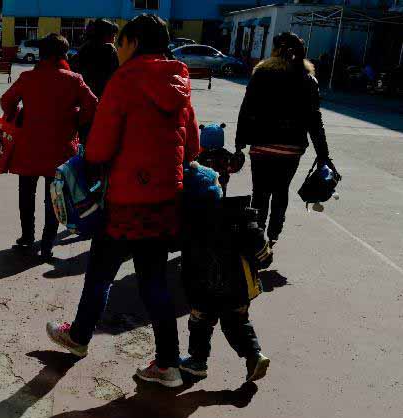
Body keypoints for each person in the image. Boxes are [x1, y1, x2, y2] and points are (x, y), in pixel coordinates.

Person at [45, 14, 200, 388]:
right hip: (165, 199)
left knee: (101, 271)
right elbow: (192, 146)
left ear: (132, 42)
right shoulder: (180, 80)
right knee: (154, 280)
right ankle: (167, 363)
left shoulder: (125, 79)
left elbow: (98, 149)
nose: (117, 49)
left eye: (122, 42)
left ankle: (79, 337)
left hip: (126, 200)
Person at [0, 33, 97, 259]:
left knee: (26, 194)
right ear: (64, 54)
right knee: (53, 198)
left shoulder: (27, 78)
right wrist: (76, 120)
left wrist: (17, 115)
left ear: (41, 53)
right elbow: (92, 104)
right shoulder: (74, 79)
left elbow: (6, 101)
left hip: (27, 148)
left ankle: (26, 238)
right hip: (60, 149)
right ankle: (47, 244)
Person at [235, 32, 333, 247]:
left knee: (259, 193)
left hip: (261, 144)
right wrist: (323, 154)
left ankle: (256, 238)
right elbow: (314, 120)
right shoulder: (308, 80)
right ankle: (274, 235)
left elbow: (246, 109)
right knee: (280, 191)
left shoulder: (261, 74)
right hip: (292, 148)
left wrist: (240, 142)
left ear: (275, 50)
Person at [179, 166, 272, 383]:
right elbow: (263, 254)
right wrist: (263, 257)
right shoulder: (239, 217)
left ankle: (197, 362)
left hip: (202, 289)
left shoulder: (189, 224)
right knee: (237, 323)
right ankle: (254, 355)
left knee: (200, 324)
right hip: (237, 288)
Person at [73, 19, 120, 98]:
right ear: (106, 35)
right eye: (114, 35)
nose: (115, 38)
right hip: (103, 95)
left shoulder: (84, 48)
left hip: (84, 95)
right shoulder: (109, 49)